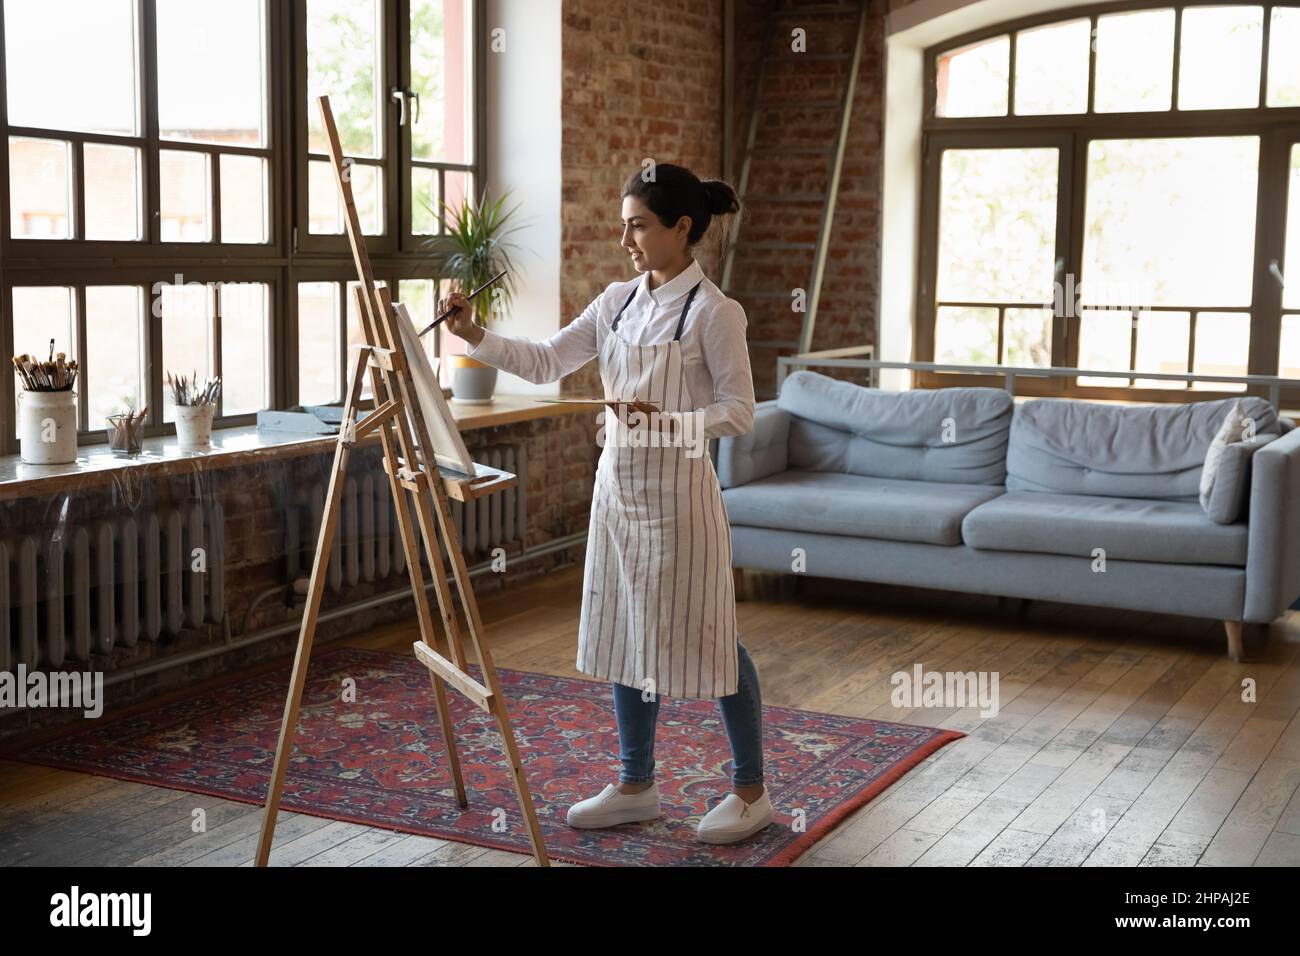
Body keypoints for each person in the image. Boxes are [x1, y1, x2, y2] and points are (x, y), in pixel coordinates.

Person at [438, 163, 769, 844]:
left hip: (682, 504)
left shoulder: (714, 311)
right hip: (618, 496)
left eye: (639, 226)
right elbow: (545, 362)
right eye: (624, 225)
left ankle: (751, 790)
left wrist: (665, 422)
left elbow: (739, 414)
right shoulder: (616, 301)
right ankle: (635, 783)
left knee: (711, 638)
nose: (626, 239)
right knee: (626, 635)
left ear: (682, 228)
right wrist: (474, 334)